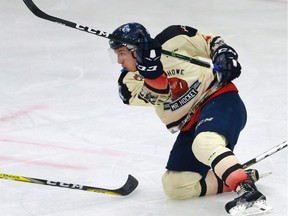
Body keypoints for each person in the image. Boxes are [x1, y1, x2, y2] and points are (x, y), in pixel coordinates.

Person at [108, 23, 271, 215]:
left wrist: (224, 55)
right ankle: (236, 174)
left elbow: (211, 43)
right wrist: (150, 71)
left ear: (135, 50)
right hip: (190, 124)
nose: (119, 61)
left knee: (203, 143)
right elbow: (161, 92)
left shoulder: (174, 37)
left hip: (220, 100)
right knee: (176, 187)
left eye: (121, 53)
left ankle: (247, 191)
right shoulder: (128, 83)